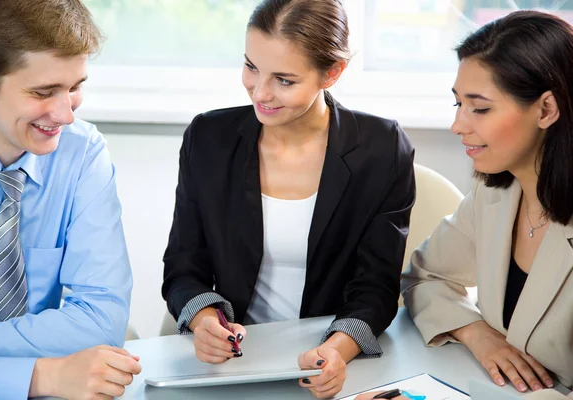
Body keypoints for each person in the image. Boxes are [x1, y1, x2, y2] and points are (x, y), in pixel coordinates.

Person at [161, 0, 415, 397]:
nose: (260, 92)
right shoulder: (208, 137)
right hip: (237, 363)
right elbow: (183, 262)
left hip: (332, 358)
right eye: (251, 67)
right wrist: (205, 319)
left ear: (332, 73)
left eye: (284, 79)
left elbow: (376, 286)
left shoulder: (381, 147)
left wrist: (335, 351)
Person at [0, 1, 141, 399]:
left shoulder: (81, 152)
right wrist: (39, 377)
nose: (65, 115)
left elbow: (101, 319)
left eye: (75, 87)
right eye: (43, 91)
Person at [401, 10, 573, 398]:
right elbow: (427, 277)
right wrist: (476, 332)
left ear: (546, 109)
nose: (459, 125)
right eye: (458, 104)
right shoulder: (495, 193)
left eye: (480, 108)